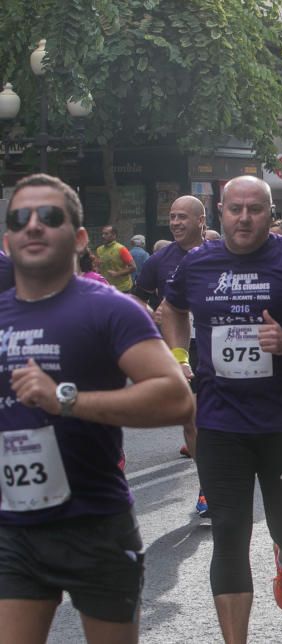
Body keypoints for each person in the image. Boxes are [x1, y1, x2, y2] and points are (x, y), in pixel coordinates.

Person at [160, 176, 282, 641]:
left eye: (255, 209)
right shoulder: (198, 264)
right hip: (219, 420)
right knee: (229, 533)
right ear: (221, 211)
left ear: (270, 213)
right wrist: (179, 359)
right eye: (236, 209)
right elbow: (171, 309)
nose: (244, 217)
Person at [0, 173, 192, 644]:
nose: (34, 226)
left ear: (79, 236)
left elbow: (175, 396)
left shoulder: (109, 309)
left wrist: (65, 398)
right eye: (20, 219)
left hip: (95, 524)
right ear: (7, 239)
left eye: (49, 216)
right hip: (14, 528)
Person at [133, 195, 209, 513]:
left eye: (183, 217)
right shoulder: (160, 259)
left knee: (217, 419)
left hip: (217, 344)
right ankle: (207, 485)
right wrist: (152, 315)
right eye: (172, 217)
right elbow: (137, 297)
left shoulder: (217, 254)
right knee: (191, 419)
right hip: (182, 350)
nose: (176, 223)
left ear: (201, 221)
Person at [95, 225, 136, 293]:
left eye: (106, 234)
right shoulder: (99, 250)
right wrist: (96, 267)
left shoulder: (121, 249)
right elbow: (98, 268)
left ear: (114, 235)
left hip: (122, 288)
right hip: (106, 287)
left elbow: (133, 267)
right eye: (102, 234)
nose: (103, 236)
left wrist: (117, 273)